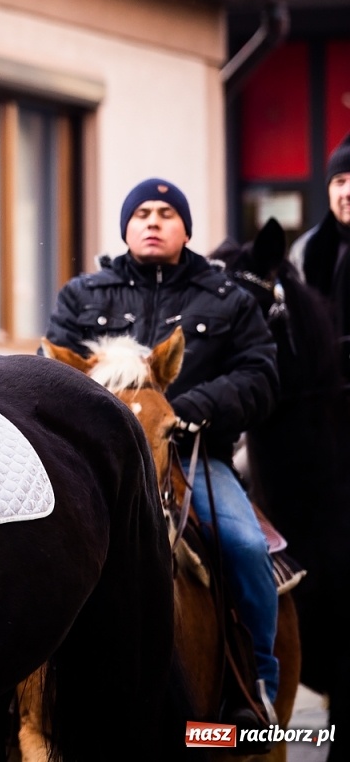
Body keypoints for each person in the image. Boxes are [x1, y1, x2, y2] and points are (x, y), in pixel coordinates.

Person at [47, 179, 280, 724]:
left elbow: (261, 374)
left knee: (247, 547)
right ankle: (23, 697)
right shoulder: (82, 296)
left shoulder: (227, 298)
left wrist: (195, 405)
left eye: (167, 213)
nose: (153, 221)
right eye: (142, 213)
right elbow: (51, 372)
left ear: (187, 230)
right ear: (126, 227)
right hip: (97, 466)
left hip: (194, 457)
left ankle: (256, 686)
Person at [291, 131, 350, 376]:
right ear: (328, 190)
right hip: (324, 384)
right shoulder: (305, 250)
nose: (347, 192)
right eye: (339, 182)